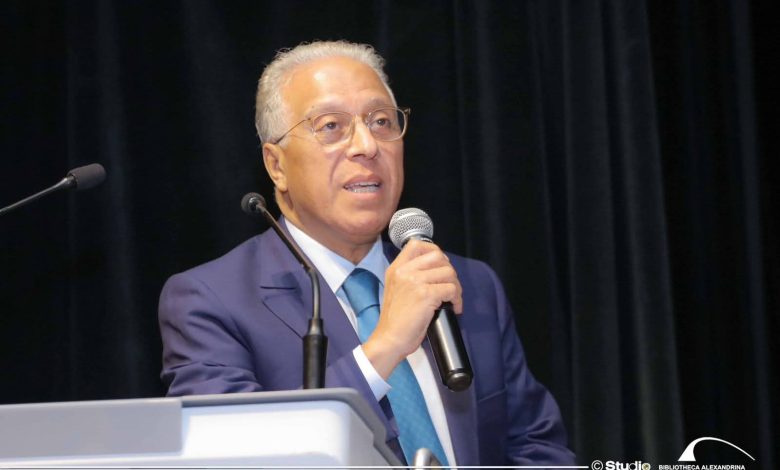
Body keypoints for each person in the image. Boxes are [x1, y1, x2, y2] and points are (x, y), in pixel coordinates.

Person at [159, 40, 575, 466]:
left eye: (381, 121)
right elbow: (233, 459)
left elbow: (538, 449)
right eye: (331, 126)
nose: (367, 145)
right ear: (276, 165)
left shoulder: (466, 284)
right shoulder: (210, 302)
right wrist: (385, 346)